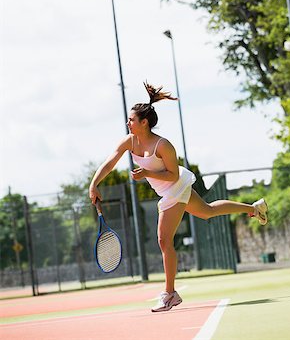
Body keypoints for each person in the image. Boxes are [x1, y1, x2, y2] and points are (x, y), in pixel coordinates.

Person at [89, 82, 268, 313]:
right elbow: (110, 162)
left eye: (131, 120)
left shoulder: (163, 145)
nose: (128, 123)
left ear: (144, 122)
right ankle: (253, 209)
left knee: (164, 240)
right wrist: (94, 183)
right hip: (167, 189)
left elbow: (172, 176)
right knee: (207, 211)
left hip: (174, 185)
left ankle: (170, 294)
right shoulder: (128, 141)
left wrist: (147, 173)